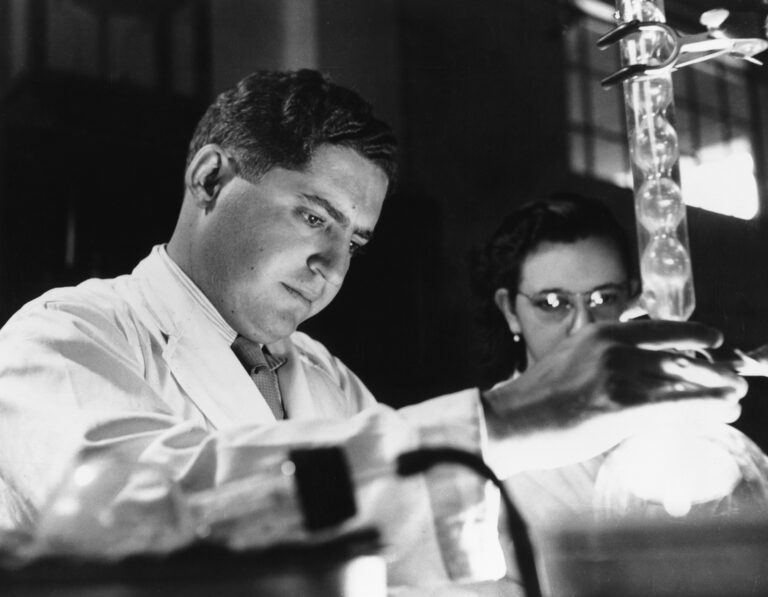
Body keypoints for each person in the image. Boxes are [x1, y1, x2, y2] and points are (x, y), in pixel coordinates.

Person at [0, 71, 747, 592]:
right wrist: (508, 418)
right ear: (209, 179)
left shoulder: (324, 379)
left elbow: (415, 561)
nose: (330, 265)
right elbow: (137, 524)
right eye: (313, 216)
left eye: (353, 241)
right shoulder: (64, 339)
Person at [471, 193, 768, 531]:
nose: (583, 327)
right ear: (510, 310)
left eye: (604, 298)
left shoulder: (670, 423)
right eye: (553, 303)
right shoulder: (485, 446)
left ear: (632, 299)